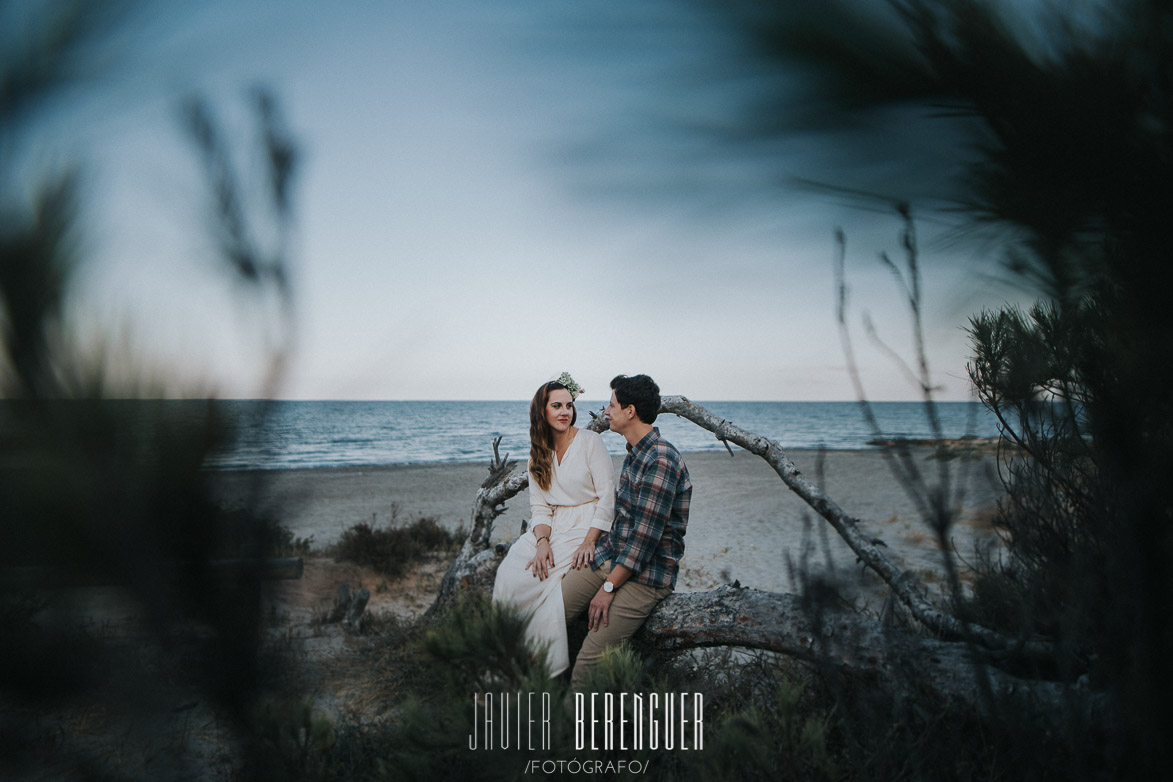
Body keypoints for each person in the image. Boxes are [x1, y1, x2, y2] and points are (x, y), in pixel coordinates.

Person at [560, 374, 691, 693]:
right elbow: (621, 520)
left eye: (612, 405)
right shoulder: (636, 451)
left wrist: (607, 588)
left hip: (646, 577)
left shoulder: (660, 459)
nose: (606, 412)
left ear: (630, 411)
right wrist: (589, 543)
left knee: (588, 666)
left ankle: (571, 739)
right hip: (612, 556)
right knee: (547, 617)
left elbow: (644, 541)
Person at [492, 373, 616, 676]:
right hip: (553, 528)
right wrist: (542, 542)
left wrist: (590, 541)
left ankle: (535, 664)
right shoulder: (538, 451)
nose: (565, 412)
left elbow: (608, 496)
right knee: (510, 574)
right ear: (542, 412)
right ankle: (503, 659)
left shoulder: (590, 442)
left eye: (569, 405)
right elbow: (540, 506)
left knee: (545, 585)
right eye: (557, 406)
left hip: (587, 526)